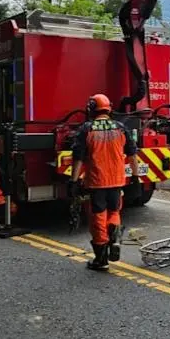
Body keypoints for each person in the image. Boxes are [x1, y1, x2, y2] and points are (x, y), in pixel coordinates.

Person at [70, 94, 139, 271]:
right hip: (117, 180)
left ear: (92, 108)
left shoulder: (87, 129)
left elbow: (78, 158)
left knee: (98, 217)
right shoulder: (121, 127)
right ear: (109, 108)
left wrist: (74, 180)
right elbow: (132, 154)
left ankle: (101, 258)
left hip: (96, 181)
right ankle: (114, 237)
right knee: (114, 211)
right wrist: (136, 177)